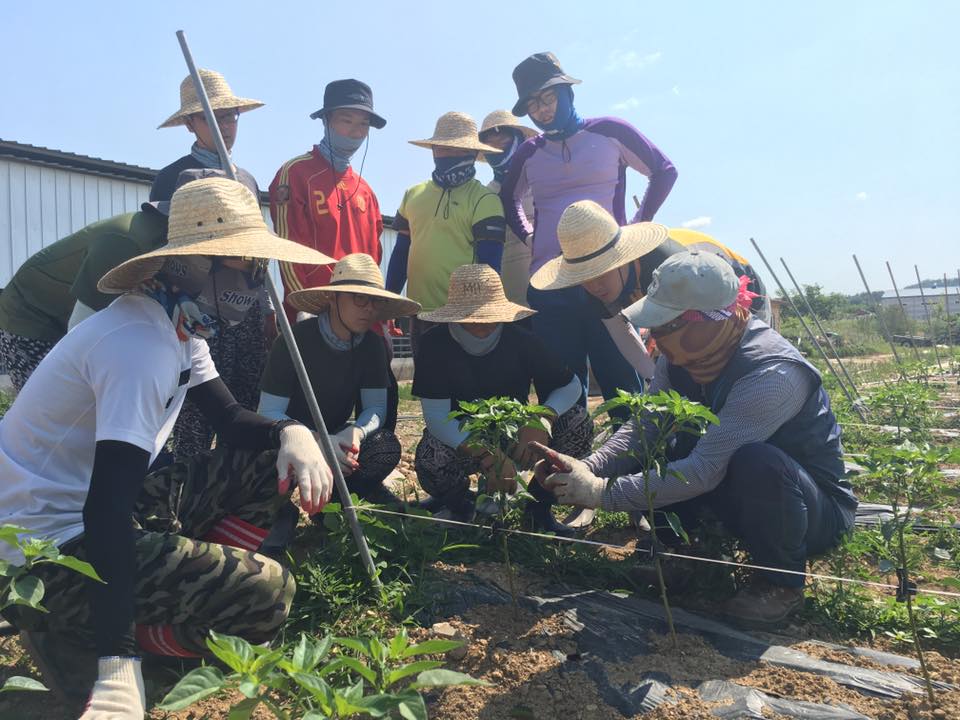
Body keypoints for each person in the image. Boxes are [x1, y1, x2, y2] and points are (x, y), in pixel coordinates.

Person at [0, 178, 335, 718]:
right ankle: (89, 637)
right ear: (195, 265)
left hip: (93, 510)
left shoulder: (177, 328)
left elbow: (229, 418)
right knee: (269, 592)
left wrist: (290, 433)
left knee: (261, 465)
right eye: (246, 266)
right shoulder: (138, 347)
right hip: (48, 551)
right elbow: (104, 510)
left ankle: (176, 597)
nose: (254, 283)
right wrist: (118, 665)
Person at [533, 251, 857, 628]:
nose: (655, 337)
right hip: (737, 489)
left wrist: (601, 492)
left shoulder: (773, 373)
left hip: (808, 510)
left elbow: (704, 470)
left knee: (756, 461)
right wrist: (587, 467)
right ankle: (689, 554)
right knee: (668, 444)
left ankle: (779, 582)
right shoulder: (679, 362)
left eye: (666, 325)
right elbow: (643, 430)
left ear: (707, 321)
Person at [501, 51, 678, 408]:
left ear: (568, 92)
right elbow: (509, 198)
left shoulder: (609, 132)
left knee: (622, 378)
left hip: (607, 275)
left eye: (548, 98)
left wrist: (634, 226)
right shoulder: (529, 153)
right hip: (550, 280)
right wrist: (529, 235)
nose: (542, 110)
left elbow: (664, 170)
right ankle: (570, 459)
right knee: (560, 381)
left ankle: (633, 456)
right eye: (533, 104)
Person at [152, 69, 276, 460]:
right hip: (198, 310)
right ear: (191, 123)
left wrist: (268, 307)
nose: (226, 125)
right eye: (213, 117)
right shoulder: (173, 178)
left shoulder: (248, 181)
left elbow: (257, 245)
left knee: (244, 399)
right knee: (197, 405)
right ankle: (188, 498)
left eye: (231, 116)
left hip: (247, 310)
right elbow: (161, 250)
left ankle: (230, 496)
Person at [412, 264, 593, 532]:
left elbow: (570, 385)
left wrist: (542, 418)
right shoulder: (434, 344)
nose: (482, 324)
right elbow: (437, 418)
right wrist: (488, 456)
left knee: (577, 422)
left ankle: (537, 506)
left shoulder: (522, 339)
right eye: (472, 316)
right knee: (431, 458)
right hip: (463, 439)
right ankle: (463, 505)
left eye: (489, 315)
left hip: (516, 435)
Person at [530, 201, 769, 382]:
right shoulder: (598, 290)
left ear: (623, 260)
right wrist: (656, 384)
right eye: (584, 279)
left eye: (601, 274)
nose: (594, 286)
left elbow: (701, 335)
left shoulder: (669, 268)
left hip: (740, 291)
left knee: (741, 371)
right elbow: (622, 334)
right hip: (694, 310)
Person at [259, 254, 420, 505]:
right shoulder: (295, 339)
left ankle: (335, 504)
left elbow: (376, 407)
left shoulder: (371, 345)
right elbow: (269, 410)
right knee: (262, 467)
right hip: (288, 437)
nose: (368, 308)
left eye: (375, 301)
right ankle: (280, 507)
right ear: (333, 298)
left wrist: (355, 432)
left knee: (384, 446)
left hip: (336, 436)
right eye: (359, 298)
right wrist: (316, 440)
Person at [385, 112, 505, 354]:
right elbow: (400, 254)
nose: (448, 155)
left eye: (458, 150)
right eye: (441, 148)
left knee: (468, 389)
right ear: (432, 151)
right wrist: (388, 303)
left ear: (472, 153)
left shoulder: (485, 199)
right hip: (421, 314)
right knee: (429, 388)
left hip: (465, 315)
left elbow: (490, 268)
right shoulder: (412, 194)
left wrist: (482, 315)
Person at [270, 79, 386, 325]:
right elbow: (287, 248)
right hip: (314, 311)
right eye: (347, 120)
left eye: (364, 124)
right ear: (326, 121)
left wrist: (379, 315)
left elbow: (374, 259)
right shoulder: (295, 174)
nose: (356, 131)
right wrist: (303, 305)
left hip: (361, 313)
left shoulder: (366, 191)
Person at [478, 110, 538, 305]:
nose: (498, 151)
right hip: (506, 303)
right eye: (491, 148)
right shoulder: (484, 196)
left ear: (519, 141)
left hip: (551, 294)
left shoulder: (543, 183)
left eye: (503, 143)